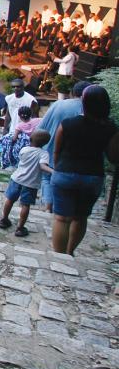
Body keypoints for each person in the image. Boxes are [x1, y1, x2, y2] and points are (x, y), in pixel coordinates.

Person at [50, 85, 119, 255]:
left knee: (61, 218)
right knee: (80, 218)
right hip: (92, 176)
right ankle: (70, 251)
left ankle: (59, 258)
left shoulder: (68, 124)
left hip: (65, 172)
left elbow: (56, 151)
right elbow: (113, 157)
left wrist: (59, 169)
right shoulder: (111, 129)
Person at [37, 80, 90, 211]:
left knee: (47, 178)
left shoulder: (58, 104)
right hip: (71, 155)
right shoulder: (87, 111)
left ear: (73, 92)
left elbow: (41, 126)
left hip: (49, 149)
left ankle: (48, 205)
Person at [0, 129, 52, 238]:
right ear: (46, 143)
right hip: (30, 184)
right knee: (25, 205)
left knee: (10, 199)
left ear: (30, 139)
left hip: (16, 179)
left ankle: (4, 220)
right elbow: (42, 166)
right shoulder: (44, 154)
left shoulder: (24, 149)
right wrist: (53, 171)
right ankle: (20, 228)